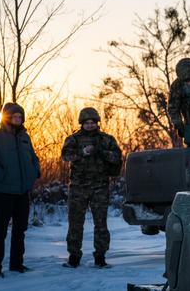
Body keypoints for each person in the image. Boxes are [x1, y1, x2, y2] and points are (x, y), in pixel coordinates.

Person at [0, 102, 41, 278]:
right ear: (7, 117)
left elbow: (33, 157)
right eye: (14, 116)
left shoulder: (25, 137)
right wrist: (1, 174)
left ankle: (16, 264)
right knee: (0, 231)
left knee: (20, 229)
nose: (18, 119)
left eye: (20, 116)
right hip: (3, 191)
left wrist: (35, 171)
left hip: (22, 192)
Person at [61, 107, 122, 269]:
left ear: (97, 123)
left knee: (101, 223)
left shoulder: (106, 140)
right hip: (78, 188)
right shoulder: (73, 139)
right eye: (86, 123)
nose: (89, 125)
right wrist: (83, 152)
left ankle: (100, 257)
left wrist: (101, 152)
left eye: (92, 122)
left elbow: (117, 157)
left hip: (99, 187)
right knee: (75, 223)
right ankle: (74, 256)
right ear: (82, 123)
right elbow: (65, 155)